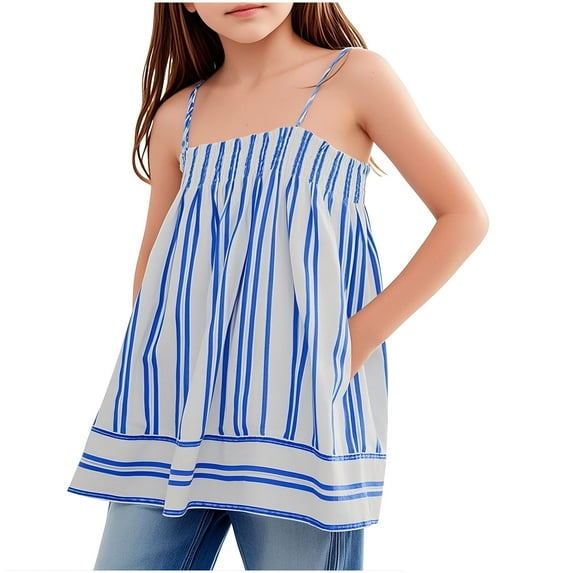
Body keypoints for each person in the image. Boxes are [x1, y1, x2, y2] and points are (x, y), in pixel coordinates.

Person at [68, 2, 489, 570]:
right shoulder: (177, 117)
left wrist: (353, 343)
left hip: (298, 410)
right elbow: (154, 266)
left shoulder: (355, 77)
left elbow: (463, 217)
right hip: (170, 413)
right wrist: (154, 381)